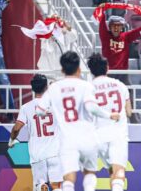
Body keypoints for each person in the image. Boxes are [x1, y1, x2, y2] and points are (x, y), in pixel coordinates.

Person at [36, 51, 118, 191]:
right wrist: (109, 115)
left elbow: (39, 110)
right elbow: (92, 108)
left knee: (69, 177)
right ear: (79, 68)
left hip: (67, 139)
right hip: (87, 137)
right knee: (89, 172)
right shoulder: (86, 86)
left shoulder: (54, 88)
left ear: (62, 69)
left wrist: (53, 111)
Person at [98, 5, 141, 123]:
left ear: (122, 27)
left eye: (119, 26)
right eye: (114, 26)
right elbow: (102, 26)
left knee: (130, 97)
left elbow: (139, 31)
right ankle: (106, 121)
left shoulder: (126, 37)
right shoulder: (105, 37)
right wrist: (102, 11)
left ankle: (135, 122)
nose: (116, 28)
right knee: (107, 99)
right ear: (110, 27)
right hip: (109, 74)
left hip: (123, 74)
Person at [8, 74, 62, 191]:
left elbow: (16, 128)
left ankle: (42, 186)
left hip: (38, 154)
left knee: (40, 185)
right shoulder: (56, 105)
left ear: (32, 89)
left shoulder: (26, 107)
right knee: (56, 186)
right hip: (55, 152)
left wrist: (12, 139)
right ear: (46, 87)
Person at [87, 53, 132, 191]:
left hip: (98, 136)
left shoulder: (87, 88)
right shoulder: (120, 85)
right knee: (119, 172)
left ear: (91, 70)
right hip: (117, 134)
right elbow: (129, 112)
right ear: (107, 68)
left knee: (112, 170)